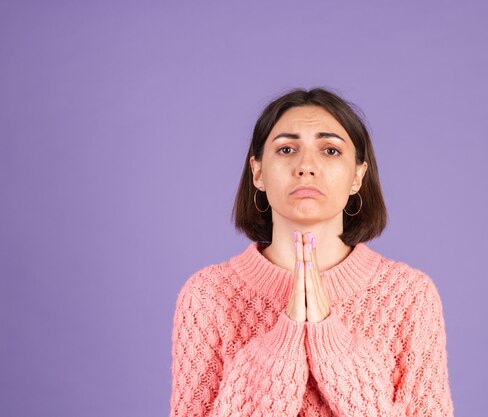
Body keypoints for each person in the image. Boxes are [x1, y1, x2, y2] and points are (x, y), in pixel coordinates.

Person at [169, 88, 454, 416]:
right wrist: (283, 340)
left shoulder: (410, 295)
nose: (306, 166)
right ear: (258, 172)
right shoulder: (207, 296)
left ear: (357, 177)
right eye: (287, 149)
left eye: (330, 150)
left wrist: (331, 342)